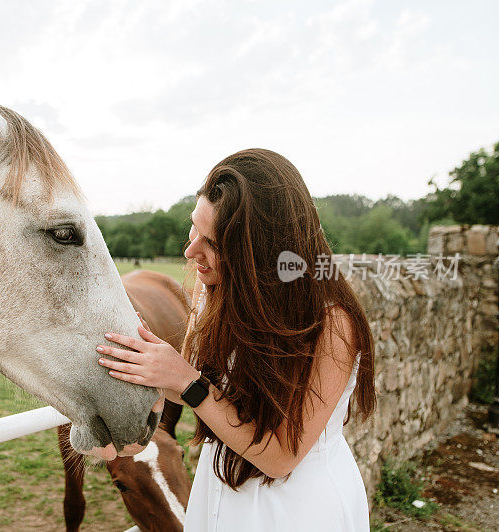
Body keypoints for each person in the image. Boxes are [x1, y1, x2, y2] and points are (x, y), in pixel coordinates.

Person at [96, 149, 375, 531]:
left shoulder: (332, 325)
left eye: (213, 243)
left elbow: (280, 459)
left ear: (260, 252)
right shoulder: (213, 290)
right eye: (194, 227)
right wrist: (152, 367)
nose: (190, 250)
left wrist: (186, 382)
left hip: (296, 508)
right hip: (220, 488)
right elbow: (198, 392)